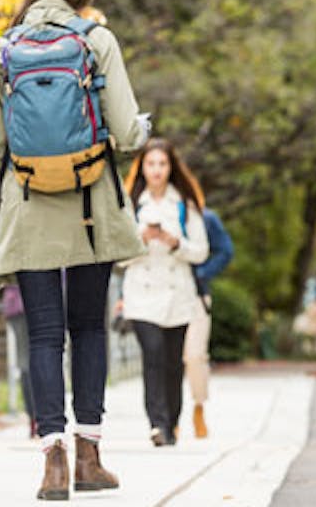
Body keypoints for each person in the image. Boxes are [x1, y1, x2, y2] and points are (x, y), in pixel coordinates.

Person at [0, 0, 148, 500]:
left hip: (26, 206)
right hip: (90, 207)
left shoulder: (2, 49)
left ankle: (51, 461)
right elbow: (124, 132)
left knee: (44, 336)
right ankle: (90, 457)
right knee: (90, 329)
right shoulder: (96, 41)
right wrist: (138, 132)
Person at [120, 138, 209, 448]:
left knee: (173, 362)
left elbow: (201, 251)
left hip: (177, 293)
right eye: (151, 164)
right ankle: (156, 422)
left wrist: (175, 243)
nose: (157, 170)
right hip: (141, 293)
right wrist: (140, 240)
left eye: (162, 164)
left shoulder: (185, 204)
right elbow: (117, 255)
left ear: (171, 167)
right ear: (142, 167)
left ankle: (171, 422)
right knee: (153, 354)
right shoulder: (129, 203)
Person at [186, 206, 234, 438]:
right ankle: (166, 418)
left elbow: (226, 251)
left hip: (196, 294)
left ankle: (198, 407)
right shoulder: (151, 213)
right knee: (164, 359)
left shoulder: (205, 218)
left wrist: (202, 273)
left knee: (195, 356)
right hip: (161, 295)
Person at [2, 285, 38, 439]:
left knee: (25, 362)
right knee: (35, 361)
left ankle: (34, 419)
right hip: (39, 302)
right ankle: (39, 417)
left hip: (15, 303)